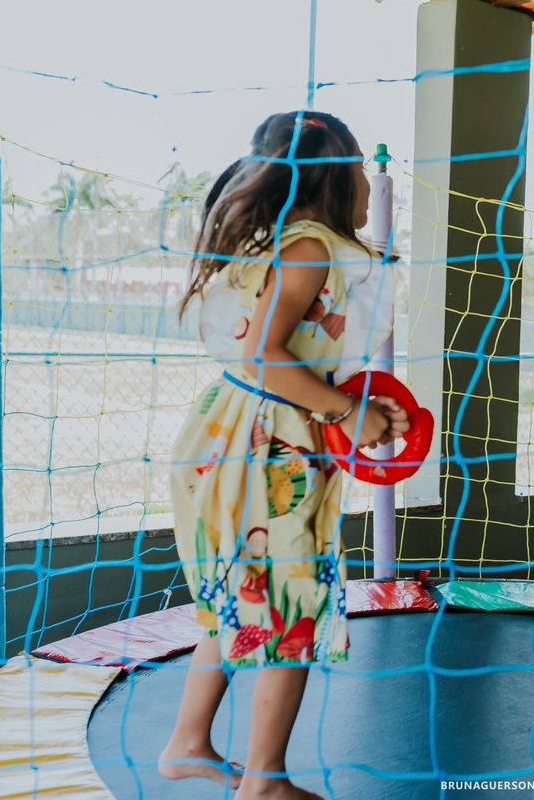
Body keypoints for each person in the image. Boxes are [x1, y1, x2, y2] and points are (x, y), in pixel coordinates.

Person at [157, 110, 408, 800]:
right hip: (267, 447)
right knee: (292, 598)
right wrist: (347, 411)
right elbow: (265, 356)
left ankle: (187, 743)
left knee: (238, 595)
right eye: (361, 165)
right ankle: (264, 779)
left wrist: (356, 408)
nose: (371, 183)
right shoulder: (309, 250)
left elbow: (288, 360)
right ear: (336, 173)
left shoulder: (282, 242)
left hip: (233, 435)